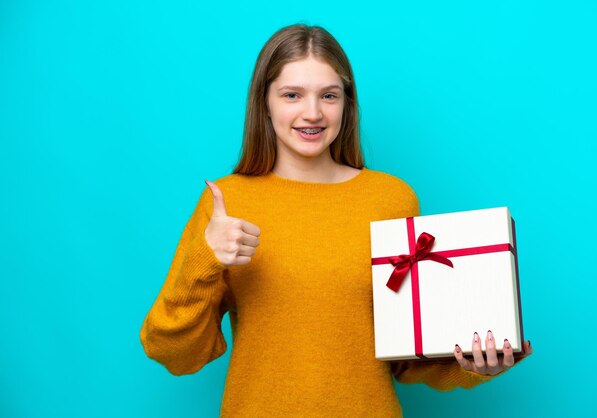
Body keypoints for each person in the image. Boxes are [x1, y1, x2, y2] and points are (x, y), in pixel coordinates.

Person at [140, 24, 532, 416]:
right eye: (292, 95)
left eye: (328, 95)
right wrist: (205, 258)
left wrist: (476, 362)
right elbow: (174, 353)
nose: (312, 113)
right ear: (265, 103)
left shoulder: (391, 199)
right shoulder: (227, 203)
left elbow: (407, 355)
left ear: (347, 103)